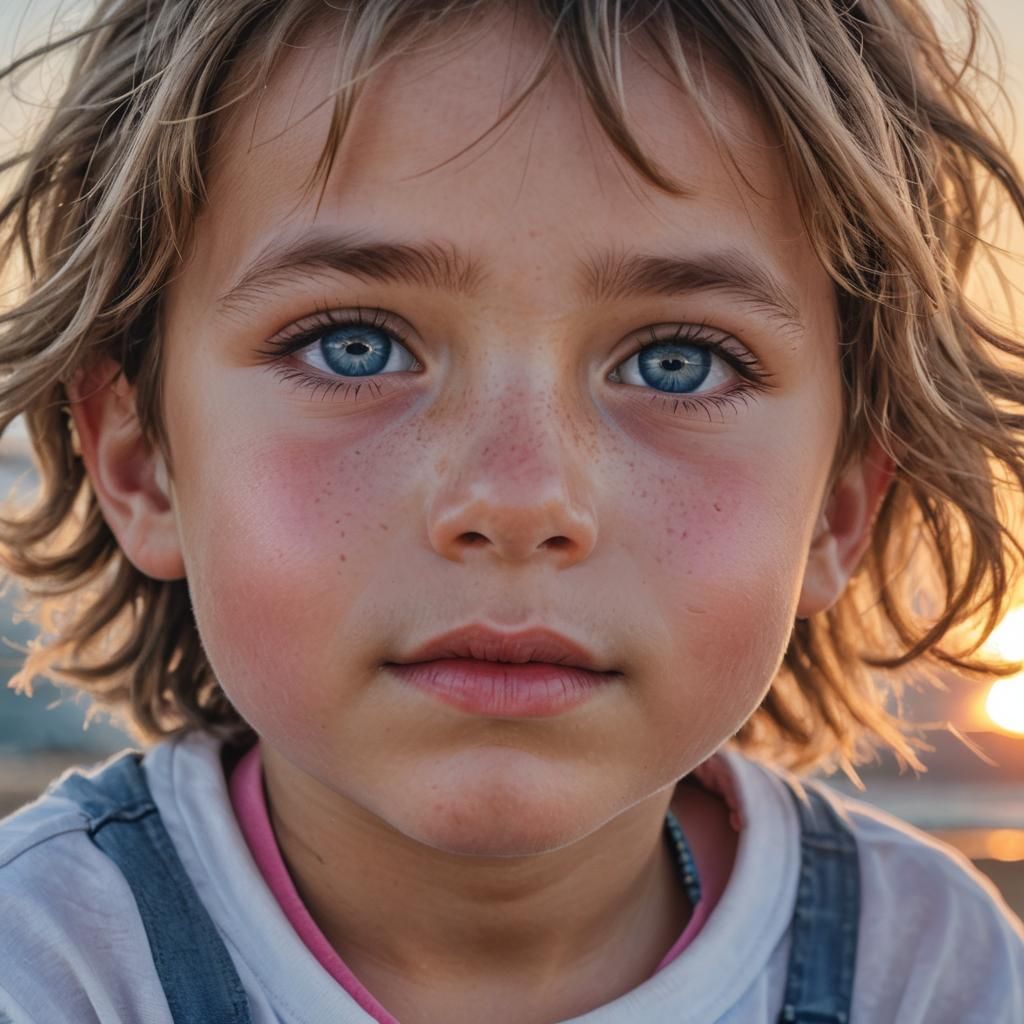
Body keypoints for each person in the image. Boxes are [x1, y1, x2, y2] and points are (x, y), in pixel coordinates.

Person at [0, 0, 1022, 1020]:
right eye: (353, 346)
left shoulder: (930, 973)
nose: (520, 498)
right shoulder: (44, 966)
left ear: (836, 506)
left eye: (677, 363)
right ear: (142, 463)